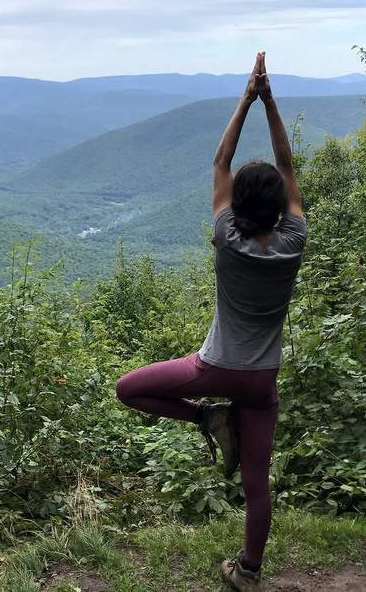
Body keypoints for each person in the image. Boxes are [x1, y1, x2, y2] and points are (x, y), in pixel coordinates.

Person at [115, 52, 306, 592]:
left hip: (215, 369)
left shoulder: (228, 238)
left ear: (239, 205)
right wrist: (272, 104)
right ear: (278, 209)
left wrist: (247, 97)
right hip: (261, 380)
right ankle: (248, 571)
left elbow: (219, 162)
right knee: (257, 483)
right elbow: (288, 167)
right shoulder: (293, 243)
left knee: (128, 389)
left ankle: (206, 420)